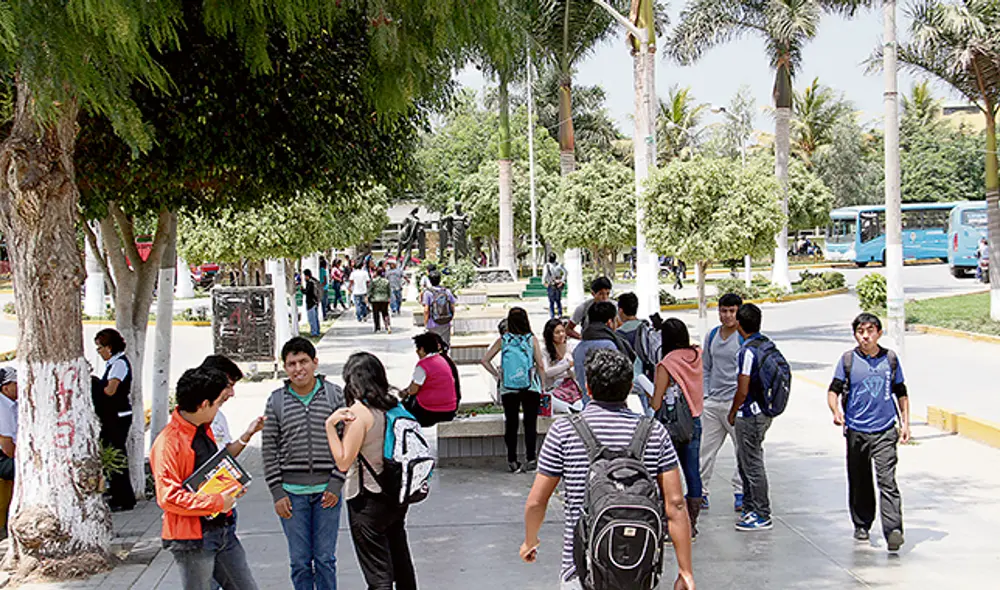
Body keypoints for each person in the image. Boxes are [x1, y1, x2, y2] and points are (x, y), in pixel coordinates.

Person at [520, 348, 694, 590]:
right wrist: (685, 571)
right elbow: (675, 504)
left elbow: (537, 502)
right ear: (630, 386)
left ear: (588, 388)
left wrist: (530, 541)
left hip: (581, 571)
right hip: (638, 571)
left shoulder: (564, 432)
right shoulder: (654, 432)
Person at [150, 367, 258, 590]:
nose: (219, 408)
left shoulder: (202, 428)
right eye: (218, 403)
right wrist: (218, 502)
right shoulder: (168, 442)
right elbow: (168, 497)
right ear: (204, 404)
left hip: (222, 529)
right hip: (193, 538)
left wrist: (231, 486)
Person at [325, 353, 417, 590]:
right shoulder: (393, 405)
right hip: (396, 495)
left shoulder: (360, 414)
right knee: (401, 560)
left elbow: (344, 461)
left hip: (368, 500)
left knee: (378, 574)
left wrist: (329, 428)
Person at [262, 337, 347, 590]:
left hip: (326, 494)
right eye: (291, 363)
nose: (298, 368)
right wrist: (277, 492)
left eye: (303, 362)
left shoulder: (334, 395)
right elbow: (269, 449)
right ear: (285, 367)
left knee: (325, 559)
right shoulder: (276, 400)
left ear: (315, 363)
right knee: (299, 561)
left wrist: (336, 482)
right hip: (291, 496)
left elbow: (346, 441)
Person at [827, 313, 909, 552]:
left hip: (884, 430)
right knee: (860, 479)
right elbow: (833, 390)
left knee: (887, 481)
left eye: (870, 331)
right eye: (861, 331)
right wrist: (835, 411)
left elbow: (901, 392)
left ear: (879, 333)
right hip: (856, 430)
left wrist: (905, 423)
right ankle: (862, 523)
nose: (866, 336)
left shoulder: (890, 360)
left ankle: (893, 530)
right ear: (855, 334)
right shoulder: (848, 360)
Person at [651, 318, 705, 539]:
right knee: (692, 472)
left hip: (672, 425)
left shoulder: (667, 363)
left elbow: (656, 402)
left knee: (666, 474)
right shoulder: (696, 355)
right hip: (695, 420)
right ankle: (691, 524)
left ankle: (669, 523)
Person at [481, 307, 546, 473]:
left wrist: (498, 375)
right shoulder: (531, 339)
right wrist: (543, 386)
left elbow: (485, 360)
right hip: (530, 386)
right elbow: (540, 365)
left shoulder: (503, 340)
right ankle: (531, 459)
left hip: (508, 388)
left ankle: (512, 460)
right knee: (530, 423)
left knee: (511, 423)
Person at [727, 303, 774, 531]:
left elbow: (742, 388)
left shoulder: (747, 351)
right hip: (764, 411)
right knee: (746, 460)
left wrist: (733, 410)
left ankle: (761, 513)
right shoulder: (766, 344)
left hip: (750, 413)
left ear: (739, 324)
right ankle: (749, 507)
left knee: (752, 463)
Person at [699, 293, 745, 513]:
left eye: (732, 311)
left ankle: (740, 492)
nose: (727, 315)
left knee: (742, 452)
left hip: (736, 404)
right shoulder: (713, 335)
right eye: (723, 310)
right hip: (713, 403)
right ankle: (701, 493)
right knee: (704, 450)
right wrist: (706, 395)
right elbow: (705, 367)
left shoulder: (744, 337)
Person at [92, 328, 136, 512]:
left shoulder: (119, 364)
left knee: (117, 454)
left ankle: (123, 497)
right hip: (111, 416)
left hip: (118, 416)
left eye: (100, 348)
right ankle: (118, 493)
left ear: (109, 347)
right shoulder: (113, 363)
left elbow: (110, 390)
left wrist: (95, 384)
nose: (99, 352)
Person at [199, 355, 265, 459]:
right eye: (228, 386)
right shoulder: (188, 421)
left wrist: (248, 434)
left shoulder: (218, 416)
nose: (232, 393)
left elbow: (224, 456)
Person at [572, 301, 636, 403]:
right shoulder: (610, 347)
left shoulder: (578, 349)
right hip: (612, 409)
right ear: (609, 323)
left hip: (588, 407)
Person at [617, 292, 661, 416]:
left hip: (631, 377)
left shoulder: (619, 334)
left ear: (620, 310)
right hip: (650, 373)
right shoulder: (646, 327)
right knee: (651, 409)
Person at [402, 332, 459, 427]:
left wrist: (405, 392)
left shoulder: (423, 365)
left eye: (418, 349)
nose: (417, 352)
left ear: (422, 349)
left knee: (404, 406)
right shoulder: (442, 360)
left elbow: (413, 390)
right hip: (450, 410)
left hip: (429, 411)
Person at [541, 319, 582, 414]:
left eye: (563, 331)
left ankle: (573, 410)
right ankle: (570, 410)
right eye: (557, 332)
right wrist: (567, 365)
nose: (561, 334)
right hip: (554, 389)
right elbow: (546, 372)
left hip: (573, 388)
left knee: (579, 404)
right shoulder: (545, 352)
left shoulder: (572, 347)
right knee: (549, 400)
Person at [422, 270, 456, 348]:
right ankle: (444, 359)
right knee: (445, 345)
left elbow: (426, 310)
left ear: (430, 281)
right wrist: (450, 318)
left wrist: (425, 324)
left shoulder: (428, 293)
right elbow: (452, 307)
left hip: (432, 323)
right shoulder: (447, 291)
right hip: (445, 322)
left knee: (433, 347)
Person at [542, 253, 567, 319]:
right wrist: (562, 281)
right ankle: (559, 314)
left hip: (551, 284)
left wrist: (544, 283)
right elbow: (565, 272)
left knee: (552, 301)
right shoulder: (558, 265)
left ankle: (552, 316)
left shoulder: (547, 266)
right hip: (558, 284)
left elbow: (544, 276)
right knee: (558, 301)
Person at [368, 268, 392, 334]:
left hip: (375, 299)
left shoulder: (373, 281)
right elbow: (389, 291)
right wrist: (389, 298)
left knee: (376, 314)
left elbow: (370, 290)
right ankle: (387, 326)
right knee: (385, 313)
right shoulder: (386, 281)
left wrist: (368, 297)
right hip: (385, 299)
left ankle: (377, 328)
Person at [301, 269, 322, 337]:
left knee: (312, 319)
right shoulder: (314, 281)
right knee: (315, 318)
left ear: (307, 276)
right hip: (315, 302)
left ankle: (314, 333)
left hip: (311, 303)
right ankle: (317, 331)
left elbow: (307, 292)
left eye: (305, 276)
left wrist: (302, 290)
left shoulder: (310, 283)